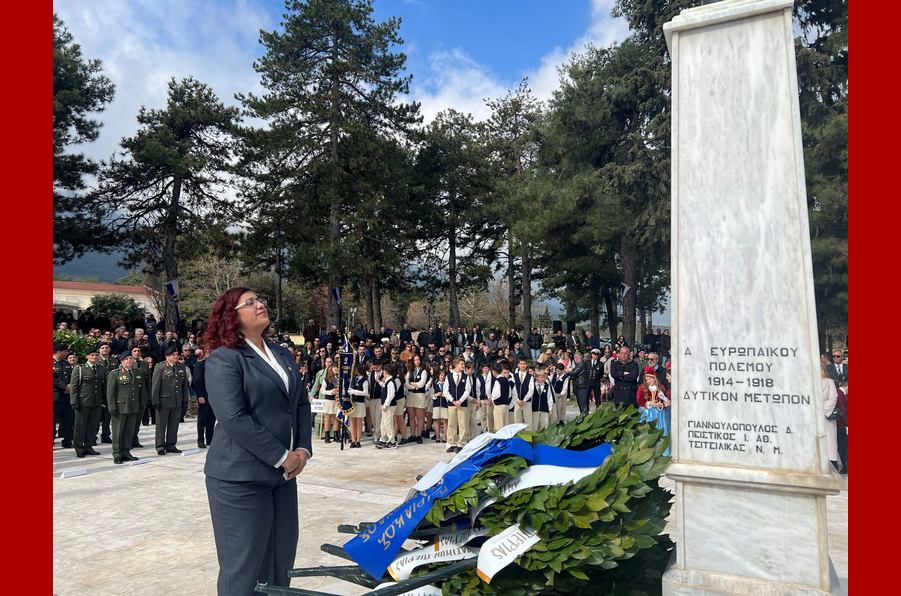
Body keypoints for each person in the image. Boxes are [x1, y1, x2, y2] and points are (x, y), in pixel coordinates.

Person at [202, 287, 312, 595]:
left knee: (280, 563)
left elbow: (300, 403)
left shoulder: (282, 354)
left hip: (282, 478)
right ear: (231, 316)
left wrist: (302, 448)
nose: (259, 304)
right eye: (249, 302)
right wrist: (282, 455)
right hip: (240, 480)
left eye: (259, 300)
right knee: (244, 569)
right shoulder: (224, 359)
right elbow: (233, 418)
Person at [107, 351, 147, 464]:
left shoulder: (137, 372)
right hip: (120, 407)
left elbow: (142, 390)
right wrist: (112, 407)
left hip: (133, 406)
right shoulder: (115, 373)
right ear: (121, 361)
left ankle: (126, 452)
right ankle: (117, 454)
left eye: (130, 358)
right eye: (126, 359)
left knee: (129, 431)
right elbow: (110, 392)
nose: (129, 361)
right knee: (118, 432)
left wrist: (142, 403)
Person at [151, 343, 190, 455]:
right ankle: (160, 446)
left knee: (174, 424)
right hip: (164, 401)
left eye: (177, 354)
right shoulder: (160, 367)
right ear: (167, 356)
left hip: (177, 400)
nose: (176, 356)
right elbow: (156, 386)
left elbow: (184, 385)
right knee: (161, 425)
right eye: (173, 355)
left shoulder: (181, 367)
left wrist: (185, 399)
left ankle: (171, 444)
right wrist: (155, 401)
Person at [70, 345, 104, 458]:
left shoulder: (101, 368)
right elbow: (74, 386)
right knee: (80, 426)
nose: (94, 357)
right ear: (87, 356)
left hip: (96, 401)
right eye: (92, 355)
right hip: (83, 401)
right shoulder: (80, 369)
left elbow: (103, 385)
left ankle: (88, 446)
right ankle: (79, 447)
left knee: (92, 426)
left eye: (96, 355)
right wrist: (74, 401)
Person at [637, 366, 670, 456]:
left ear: (654, 378)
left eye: (650, 379)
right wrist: (649, 403)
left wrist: (660, 405)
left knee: (660, 430)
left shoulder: (660, 387)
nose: (648, 381)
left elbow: (666, 401)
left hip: (659, 414)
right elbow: (639, 400)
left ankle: (662, 451)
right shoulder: (642, 388)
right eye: (647, 379)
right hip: (647, 413)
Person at [445, 358, 472, 453]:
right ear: (456, 365)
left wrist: (460, 401)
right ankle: (453, 442)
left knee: (462, 424)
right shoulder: (449, 376)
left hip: (462, 404)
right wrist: (452, 400)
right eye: (462, 364)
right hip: (452, 404)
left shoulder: (465, 376)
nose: (463, 366)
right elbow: (445, 390)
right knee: (452, 423)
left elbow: (467, 390)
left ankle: (461, 443)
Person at [405, 355, 430, 444]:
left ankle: (419, 435)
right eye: (415, 360)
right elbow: (406, 383)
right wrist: (414, 386)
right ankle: (412, 435)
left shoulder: (423, 371)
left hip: (419, 394)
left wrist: (413, 384)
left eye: (418, 359)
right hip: (411, 394)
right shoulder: (410, 371)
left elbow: (422, 384)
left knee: (420, 416)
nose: (417, 361)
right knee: (411, 416)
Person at [53, 343, 74, 448]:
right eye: (65, 351)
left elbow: (71, 377)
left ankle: (67, 440)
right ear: (59, 352)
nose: (67, 353)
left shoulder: (66, 363)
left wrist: (70, 386)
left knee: (68, 420)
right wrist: (65, 386)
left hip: (66, 397)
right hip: (55, 397)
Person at [821, 363, 840, 472]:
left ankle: (833, 465)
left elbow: (833, 397)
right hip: (812, 416)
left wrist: (824, 412)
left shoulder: (829, 382)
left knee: (830, 442)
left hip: (826, 414)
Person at [194, 351, 214, 449]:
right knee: (202, 419)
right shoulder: (200, 364)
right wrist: (200, 395)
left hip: (214, 397)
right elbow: (197, 381)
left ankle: (210, 439)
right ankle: (200, 440)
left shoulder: (217, 365)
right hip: (204, 396)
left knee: (211, 419)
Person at [347, 362, 369, 448]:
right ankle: (353, 439)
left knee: (359, 421)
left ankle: (358, 440)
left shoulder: (364, 380)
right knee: (352, 421)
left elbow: (365, 392)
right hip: (353, 402)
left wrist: (355, 392)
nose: (355, 370)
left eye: (356, 369)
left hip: (360, 402)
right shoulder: (354, 379)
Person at [512, 358, 534, 430]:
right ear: (518, 365)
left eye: (524, 364)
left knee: (528, 421)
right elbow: (513, 389)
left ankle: (528, 436)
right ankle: (518, 435)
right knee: (517, 421)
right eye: (521, 364)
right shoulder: (514, 376)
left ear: (526, 365)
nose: (522, 365)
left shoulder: (530, 376)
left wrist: (524, 400)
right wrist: (517, 399)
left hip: (526, 402)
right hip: (517, 402)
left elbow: (531, 389)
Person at [570, 350, 590, 414]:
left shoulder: (581, 364)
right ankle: (583, 415)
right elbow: (572, 374)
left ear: (576, 358)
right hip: (578, 385)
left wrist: (573, 375)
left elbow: (573, 372)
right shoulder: (578, 364)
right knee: (580, 403)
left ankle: (585, 416)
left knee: (582, 403)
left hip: (582, 386)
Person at [836, 380, 848, 474]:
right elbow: (842, 409)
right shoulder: (839, 393)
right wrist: (847, 423)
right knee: (843, 446)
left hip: (842, 423)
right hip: (841, 424)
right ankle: (845, 466)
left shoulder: (843, 394)